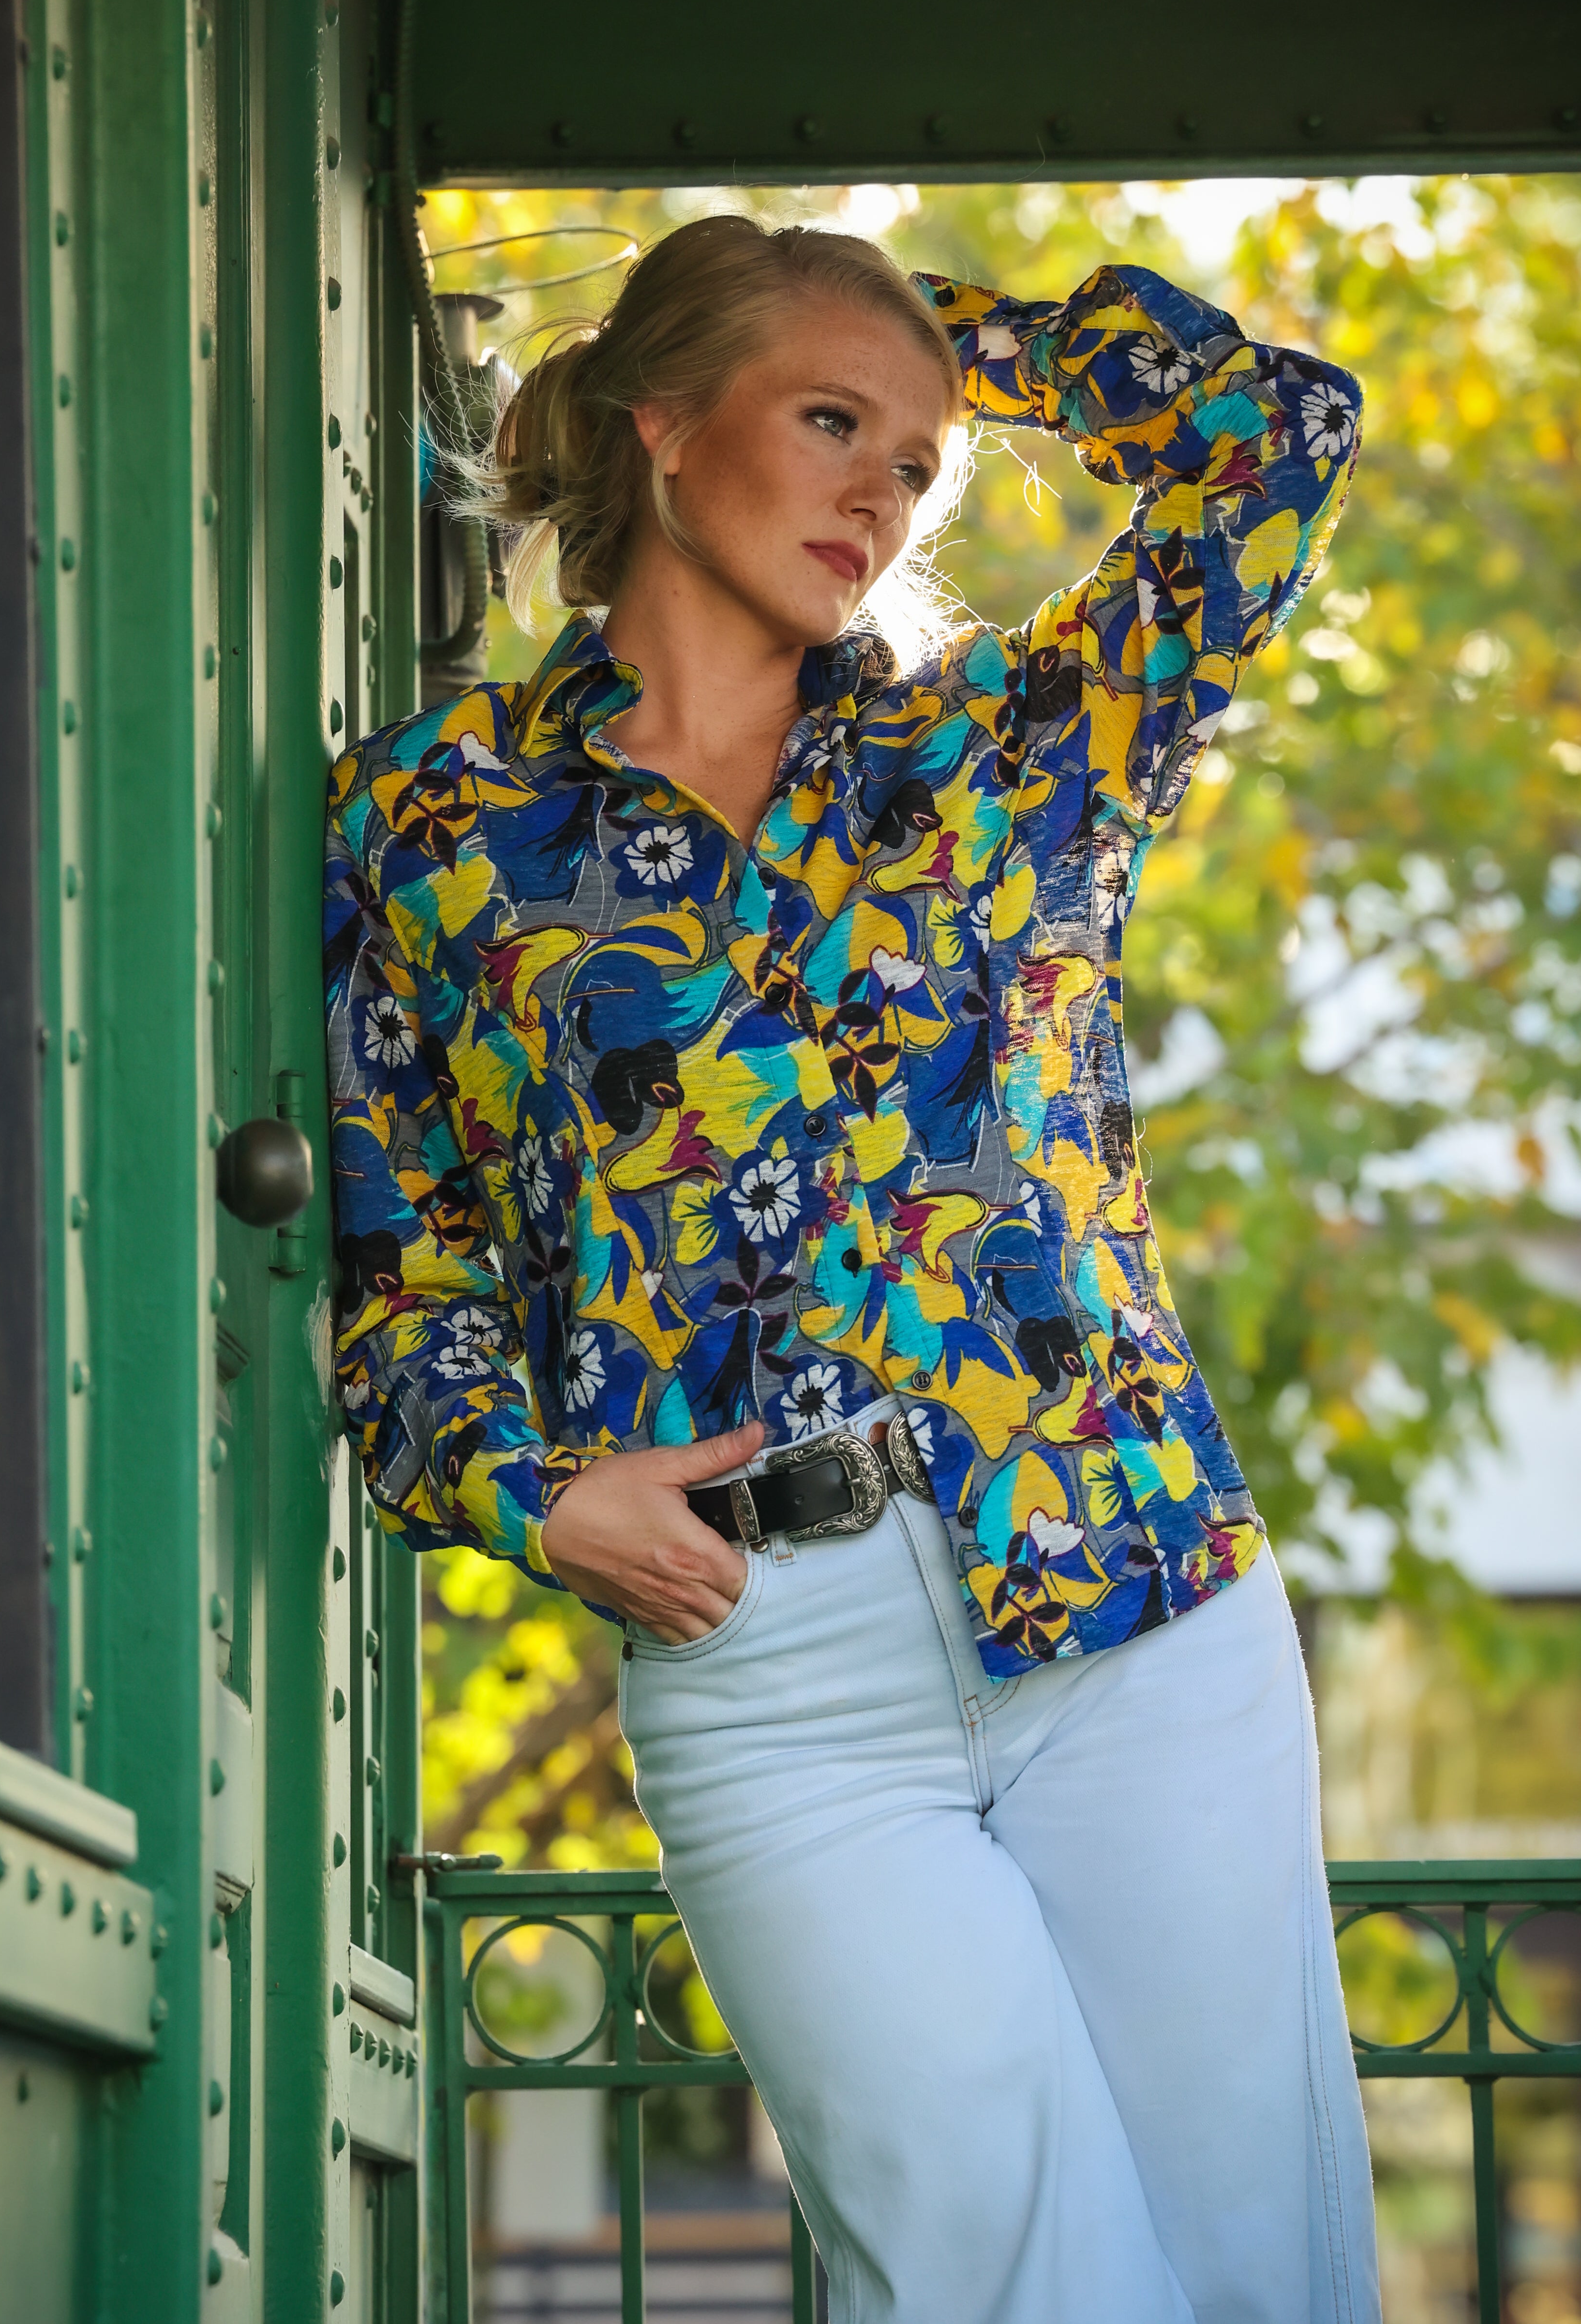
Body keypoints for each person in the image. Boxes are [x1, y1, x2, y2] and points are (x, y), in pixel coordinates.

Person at [325, 213, 1380, 2323]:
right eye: (827, 423)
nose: (884, 492)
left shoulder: (1015, 747)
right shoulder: (430, 828)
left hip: (1132, 1599)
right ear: (662, 426)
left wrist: (938, 336)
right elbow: (399, 1273)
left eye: (916, 462)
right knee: (1009, 2286)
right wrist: (531, 1494)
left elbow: (1280, 437)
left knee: (1258, 2280)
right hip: (768, 1674)